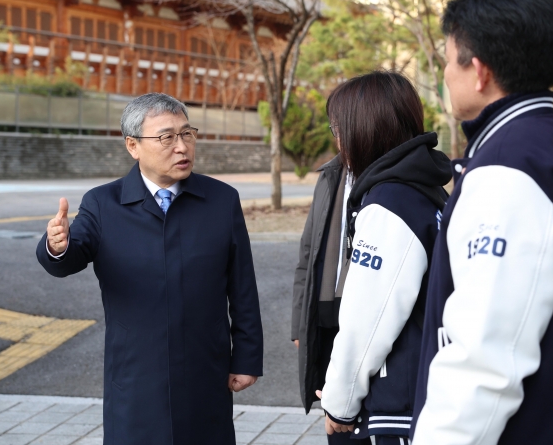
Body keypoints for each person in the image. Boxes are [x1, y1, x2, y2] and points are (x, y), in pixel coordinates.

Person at [411, 0, 553, 445]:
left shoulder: (507, 169)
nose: (446, 74)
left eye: (449, 60)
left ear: (479, 71)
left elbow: (484, 364)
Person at [36, 93, 264, 445]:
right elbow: (69, 257)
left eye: (187, 134)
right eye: (166, 137)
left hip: (205, 369)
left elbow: (242, 285)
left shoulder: (221, 200)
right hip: (136, 374)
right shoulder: (103, 203)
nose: (181, 147)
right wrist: (56, 245)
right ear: (133, 146)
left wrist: (247, 358)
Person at [309, 71, 451, 445]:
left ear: (362, 130)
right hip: (429, 389)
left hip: (397, 406)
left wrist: (339, 403)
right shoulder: (427, 191)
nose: (337, 140)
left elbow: (368, 319)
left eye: (338, 128)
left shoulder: (389, 204)